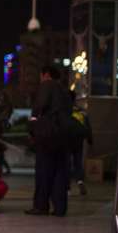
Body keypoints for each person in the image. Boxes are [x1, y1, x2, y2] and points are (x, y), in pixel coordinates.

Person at [26, 66, 72, 216]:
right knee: (60, 172)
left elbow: (39, 106)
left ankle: (41, 205)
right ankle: (60, 207)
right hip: (63, 136)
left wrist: (32, 124)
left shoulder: (47, 85)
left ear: (45, 75)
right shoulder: (65, 90)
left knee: (43, 171)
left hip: (47, 135)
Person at [69, 90, 93, 196]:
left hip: (67, 140)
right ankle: (80, 181)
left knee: (66, 163)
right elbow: (87, 127)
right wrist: (90, 139)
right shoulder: (81, 111)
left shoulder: (65, 110)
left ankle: (67, 187)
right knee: (77, 161)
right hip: (79, 140)